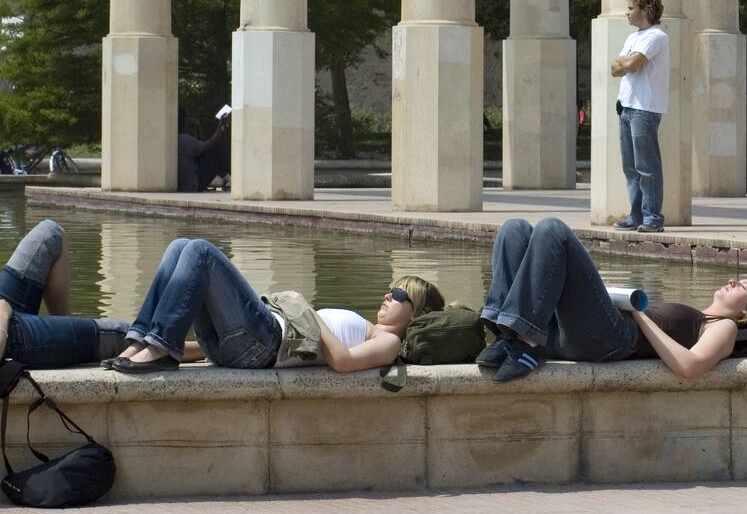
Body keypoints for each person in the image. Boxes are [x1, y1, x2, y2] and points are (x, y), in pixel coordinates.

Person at [478, 217, 747, 383]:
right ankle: (511, 337)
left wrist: (640, 315)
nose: (733, 281)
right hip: (580, 333)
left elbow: (689, 367)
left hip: (611, 339)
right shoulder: (702, 316)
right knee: (514, 230)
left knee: (553, 230)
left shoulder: (724, 327)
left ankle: (525, 344)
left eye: (744, 286)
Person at [109, 237, 443, 374]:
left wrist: (306, 308)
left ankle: (159, 345)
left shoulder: (389, 341)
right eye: (389, 290)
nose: (388, 296)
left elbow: (342, 362)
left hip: (266, 344)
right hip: (237, 346)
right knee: (180, 245)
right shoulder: (368, 326)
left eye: (399, 295)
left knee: (200, 251)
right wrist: (189, 350)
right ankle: (147, 340)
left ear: (416, 313)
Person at [0, 218, 131, 368]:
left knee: (51, 233)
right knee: (132, 334)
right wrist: (3, 314)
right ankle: (67, 340)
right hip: (7, 337)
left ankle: (64, 331)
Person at [611, 0, 670, 234]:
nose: (627, 12)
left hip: (644, 108)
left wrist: (626, 62)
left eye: (631, 8)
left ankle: (652, 217)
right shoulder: (633, 37)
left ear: (646, 10)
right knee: (630, 167)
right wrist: (626, 63)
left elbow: (632, 65)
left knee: (647, 167)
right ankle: (636, 216)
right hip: (626, 106)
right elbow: (615, 68)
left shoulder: (656, 36)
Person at [177, 105, 231, 192]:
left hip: (182, 186)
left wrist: (198, 126)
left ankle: (224, 175)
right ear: (184, 120)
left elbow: (202, 144)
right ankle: (227, 176)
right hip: (192, 185)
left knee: (209, 151)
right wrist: (222, 126)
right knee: (219, 147)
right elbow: (209, 144)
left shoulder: (176, 139)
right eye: (188, 117)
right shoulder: (183, 139)